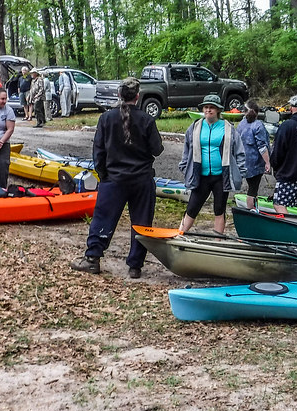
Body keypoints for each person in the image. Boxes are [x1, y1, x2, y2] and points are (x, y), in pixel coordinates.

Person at [72, 77, 164, 278]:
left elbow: (98, 152)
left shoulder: (106, 119)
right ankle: (135, 265)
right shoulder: (147, 120)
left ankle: (92, 258)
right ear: (138, 97)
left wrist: (104, 176)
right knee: (141, 222)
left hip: (114, 179)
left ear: (119, 95)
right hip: (141, 179)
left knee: (104, 218)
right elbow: (157, 149)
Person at [178, 94, 246, 235]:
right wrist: (185, 166)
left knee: (219, 208)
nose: (208, 110)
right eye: (206, 107)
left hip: (221, 176)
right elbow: (187, 148)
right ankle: (180, 235)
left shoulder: (228, 128)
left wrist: (241, 171)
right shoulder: (195, 127)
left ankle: (218, 240)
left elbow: (239, 151)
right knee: (192, 207)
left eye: (212, 108)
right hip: (200, 175)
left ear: (218, 110)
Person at [236, 99, 271, 209]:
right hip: (255, 163)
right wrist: (268, 162)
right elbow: (262, 147)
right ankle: (251, 210)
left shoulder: (241, 124)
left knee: (251, 187)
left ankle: (251, 208)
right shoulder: (258, 126)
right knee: (253, 189)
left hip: (243, 161)